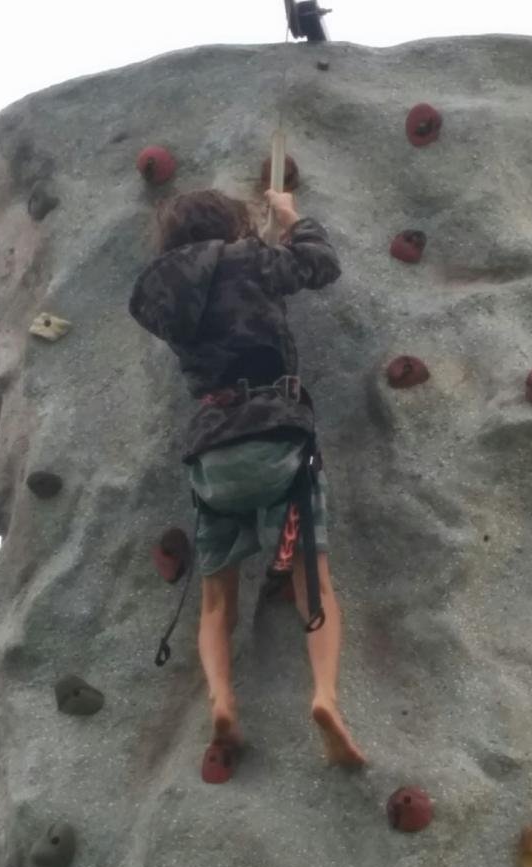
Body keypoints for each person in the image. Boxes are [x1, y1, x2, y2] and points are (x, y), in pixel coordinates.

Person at [129, 187, 365, 768]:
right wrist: (291, 219)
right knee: (316, 579)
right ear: (230, 224)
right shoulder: (248, 259)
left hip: (213, 450)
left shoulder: (158, 292)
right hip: (278, 433)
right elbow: (320, 265)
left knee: (215, 600)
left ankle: (224, 700)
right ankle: (326, 698)